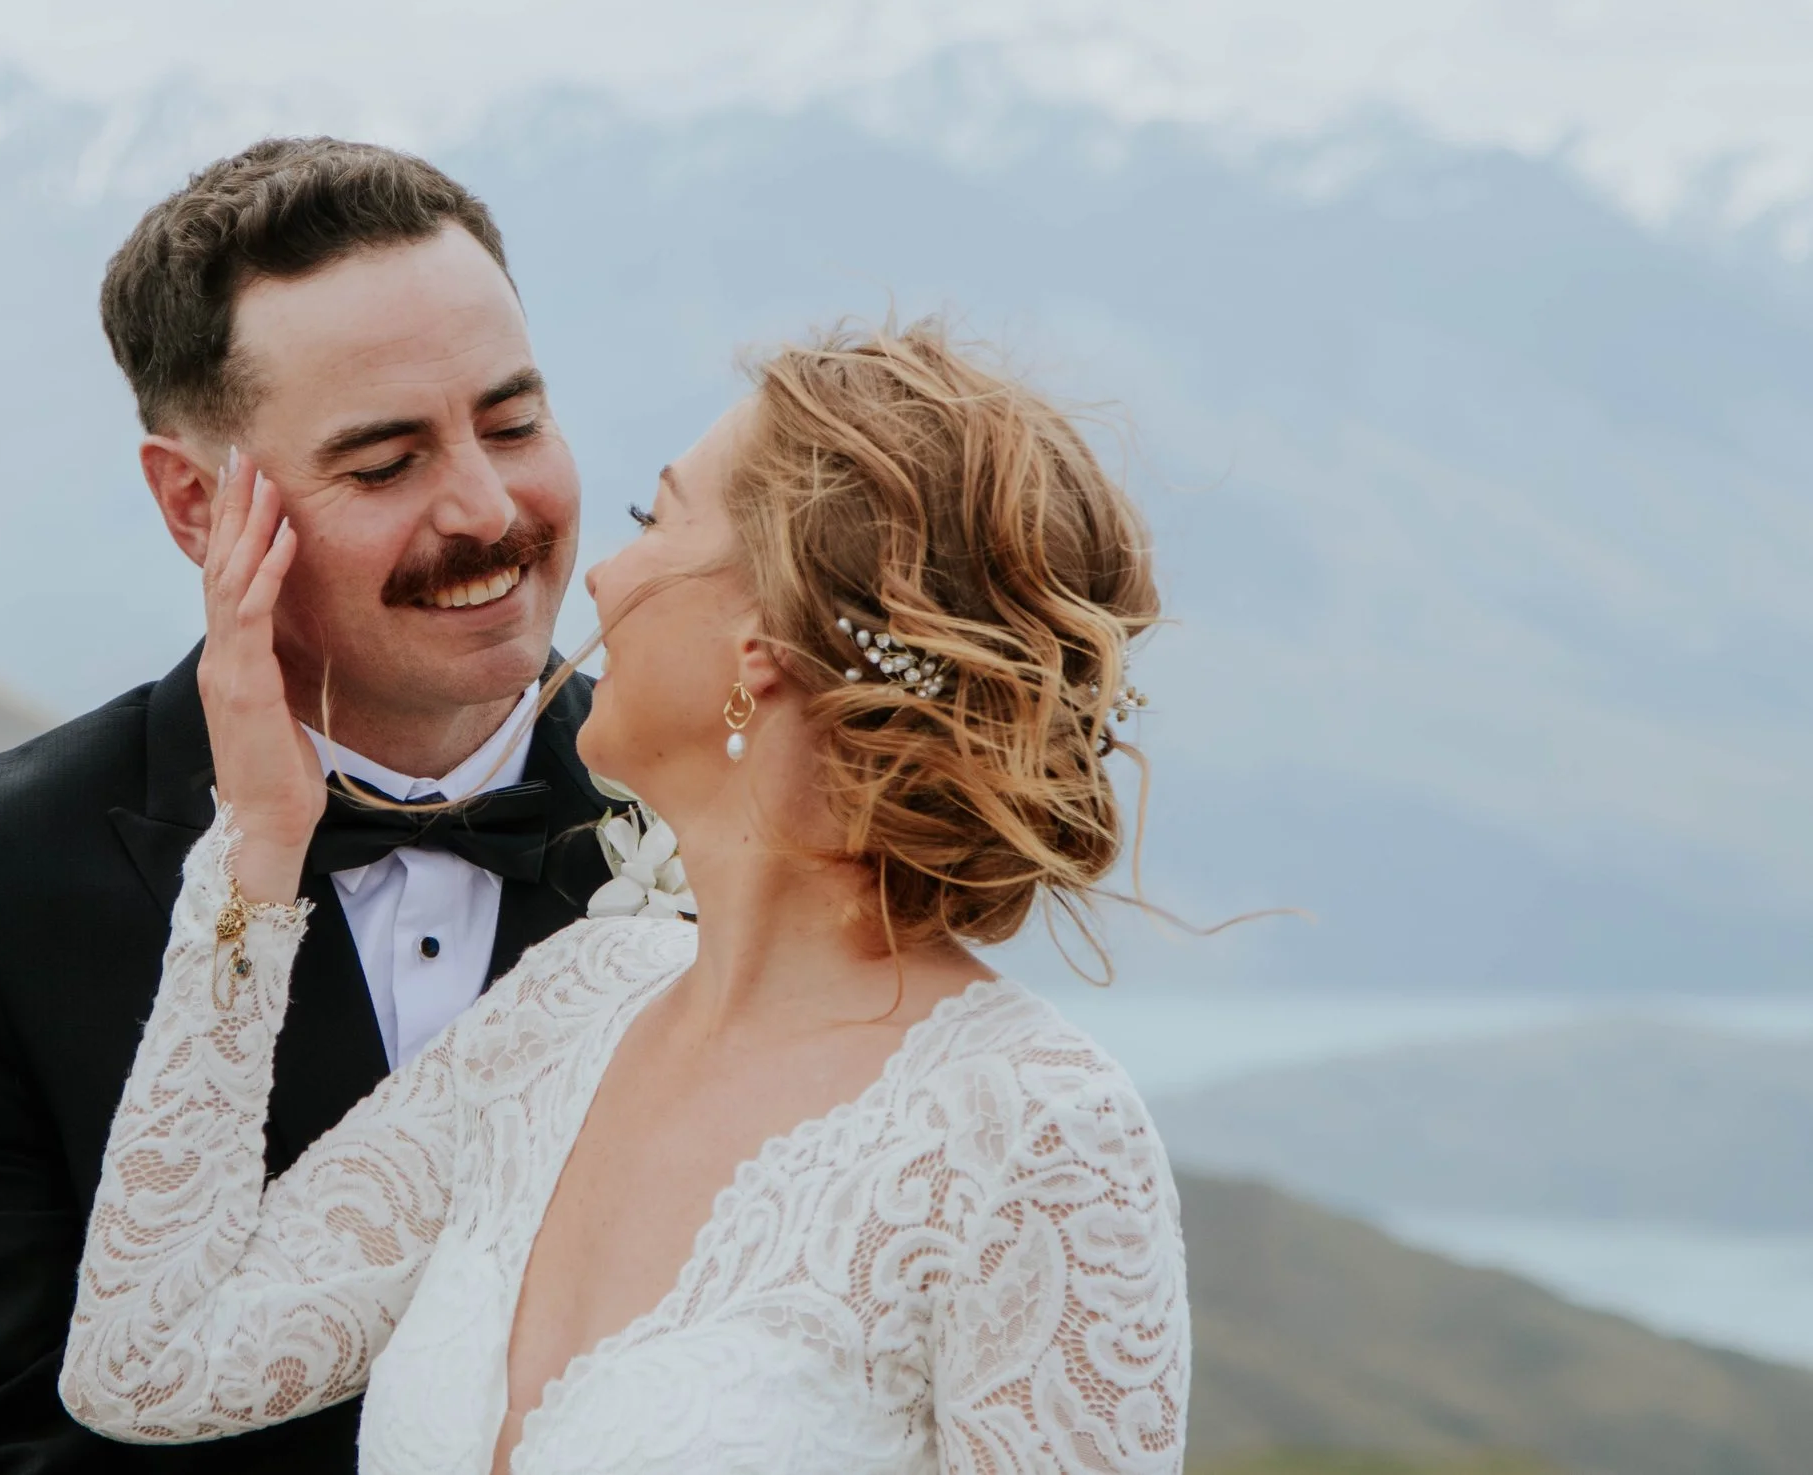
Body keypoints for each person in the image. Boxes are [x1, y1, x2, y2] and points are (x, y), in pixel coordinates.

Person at [57, 324, 1190, 1475]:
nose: (601, 569)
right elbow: (149, 1364)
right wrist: (258, 841)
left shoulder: (1033, 1130)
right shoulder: (569, 1005)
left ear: (762, 644)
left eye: (658, 521)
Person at [0, 138, 622, 1474]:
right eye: (384, 460)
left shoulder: (728, 840)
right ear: (194, 501)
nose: (487, 506)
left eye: (513, 421)